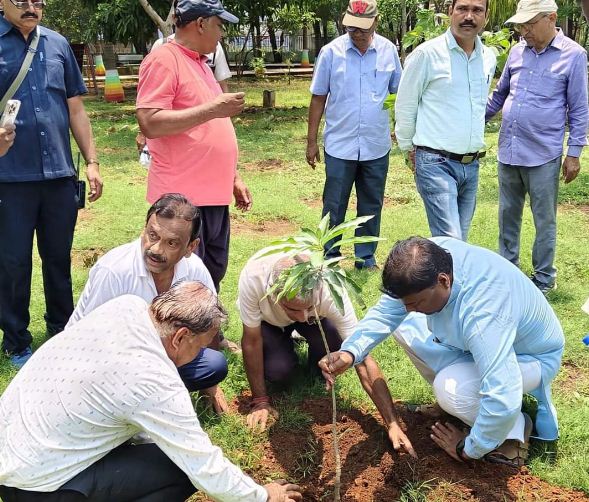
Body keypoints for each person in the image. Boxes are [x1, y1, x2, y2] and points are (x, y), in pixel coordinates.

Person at [0, 281, 302, 502]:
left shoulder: (126, 306)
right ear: (181, 337)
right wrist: (264, 496)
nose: (200, 355)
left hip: (12, 452)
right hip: (36, 488)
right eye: (200, 346)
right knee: (181, 469)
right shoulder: (154, 382)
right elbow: (202, 465)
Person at [320, 237, 564, 466]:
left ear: (444, 281)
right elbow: (386, 313)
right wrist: (350, 352)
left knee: (450, 389)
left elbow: (502, 393)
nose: (410, 308)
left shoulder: (484, 314)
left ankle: (512, 432)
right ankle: (466, 407)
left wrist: (468, 449)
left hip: (530, 358)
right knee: (405, 326)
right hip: (479, 344)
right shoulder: (427, 258)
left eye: (416, 302)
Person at [0, 0, 103, 369]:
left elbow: (75, 108)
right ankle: (16, 341)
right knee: (13, 262)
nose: (31, 7)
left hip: (59, 175)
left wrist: (91, 161)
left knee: (58, 258)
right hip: (9, 178)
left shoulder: (58, 44)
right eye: (21, 1)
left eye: (37, 1)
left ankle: (62, 330)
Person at [238, 253, 416, 457]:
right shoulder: (254, 279)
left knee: (334, 339)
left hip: (319, 319)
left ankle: (314, 364)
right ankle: (283, 341)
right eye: (293, 309)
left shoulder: (330, 289)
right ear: (273, 293)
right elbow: (251, 341)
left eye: (308, 308)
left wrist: (392, 423)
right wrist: (260, 400)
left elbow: (363, 358)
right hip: (269, 322)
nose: (302, 317)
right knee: (280, 371)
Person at [66, 193, 229, 413]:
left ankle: (155, 394)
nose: (155, 249)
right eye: (152, 235)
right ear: (144, 229)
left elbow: (209, 323)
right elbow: (90, 342)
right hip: (109, 362)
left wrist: (211, 389)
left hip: (159, 359)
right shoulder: (113, 271)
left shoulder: (196, 270)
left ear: (191, 247)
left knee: (213, 365)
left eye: (171, 243)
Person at [137, 0, 251, 294]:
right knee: (180, 276)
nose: (222, 33)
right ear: (201, 23)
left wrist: (233, 177)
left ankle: (208, 331)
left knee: (212, 269)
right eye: (219, 25)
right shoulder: (164, 59)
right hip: (182, 199)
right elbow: (150, 121)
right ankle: (177, 336)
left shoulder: (199, 62)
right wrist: (214, 108)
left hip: (213, 195)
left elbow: (210, 129)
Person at [486, 0, 588, 295]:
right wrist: (469, 120)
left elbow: (579, 109)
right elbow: (498, 95)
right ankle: (508, 272)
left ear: (551, 18)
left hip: (544, 153)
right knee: (507, 215)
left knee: (544, 220)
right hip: (509, 149)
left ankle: (544, 279)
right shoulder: (518, 51)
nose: (524, 30)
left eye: (530, 23)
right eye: (521, 24)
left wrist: (574, 153)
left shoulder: (573, 55)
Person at [306, 0, 402, 270]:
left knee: (371, 203)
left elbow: (398, 94)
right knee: (334, 204)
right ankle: (329, 256)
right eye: (352, 28)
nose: (357, 33)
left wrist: (400, 127)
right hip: (339, 144)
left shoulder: (388, 51)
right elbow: (318, 98)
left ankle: (365, 257)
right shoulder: (330, 52)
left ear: (376, 22)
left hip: (376, 144)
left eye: (362, 28)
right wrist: (311, 142)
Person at [395, 0, 496, 241]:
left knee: (459, 239)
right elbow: (406, 104)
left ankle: (442, 278)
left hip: (471, 166)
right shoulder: (427, 54)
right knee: (452, 240)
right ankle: (451, 278)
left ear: (486, 17)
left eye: (477, 10)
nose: (468, 16)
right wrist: (409, 148)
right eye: (462, 9)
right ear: (450, 12)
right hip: (435, 162)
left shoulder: (488, 58)